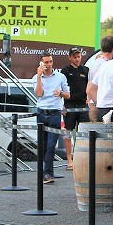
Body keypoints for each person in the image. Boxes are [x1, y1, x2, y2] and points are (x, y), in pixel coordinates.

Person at [33, 51, 70, 184]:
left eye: (50, 62)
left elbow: (68, 94)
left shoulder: (60, 77)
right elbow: (39, 93)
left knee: (51, 146)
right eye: (46, 62)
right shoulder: (36, 77)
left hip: (55, 114)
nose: (49, 65)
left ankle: (48, 174)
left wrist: (60, 93)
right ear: (41, 63)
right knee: (42, 146)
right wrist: (38, 76)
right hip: (42, 113)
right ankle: (45, 172)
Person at [61, 47, 90, 170]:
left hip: (83, 106)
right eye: (74, 57)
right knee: (68, 134)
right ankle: (69, 160)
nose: (77, 59)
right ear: (69, 57)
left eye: (79, 57)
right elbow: (61, 88)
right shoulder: (65, 71)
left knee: (84, 134)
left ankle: (82, 159)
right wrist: (62, 105)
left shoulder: (86, 70)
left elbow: (90, 87)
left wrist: (90, 100)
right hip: (69, 106)